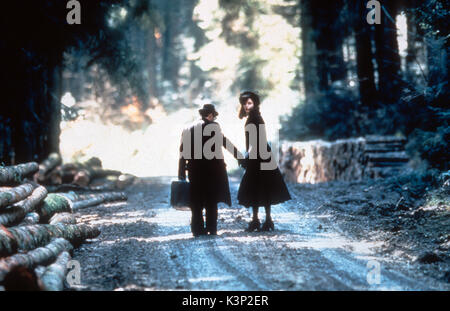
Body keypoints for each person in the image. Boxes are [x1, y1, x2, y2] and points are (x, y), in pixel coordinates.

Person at [178, 104, 242, 237]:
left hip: (194, 171)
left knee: (196, 201)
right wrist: (240, 157)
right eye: (214, 116)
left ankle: (197, 230)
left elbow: (182, 151)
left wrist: (181, 172)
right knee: (211, 200)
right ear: (211, 115)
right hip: (212, 171)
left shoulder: (189, 128)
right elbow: (225, 142)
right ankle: (211, 229)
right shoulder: (214, 127)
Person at [237, 91, 291, 232]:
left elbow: (256, 141)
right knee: (261, 186)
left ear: (255, 103)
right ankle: (264, 220)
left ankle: (260, 220)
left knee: (259, 186)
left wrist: (248, 156)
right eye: (244, 103)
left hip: (259, 155)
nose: (246, 106)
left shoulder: (255, 118)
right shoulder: (254, 117)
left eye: (249, 103)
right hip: (260, 154)